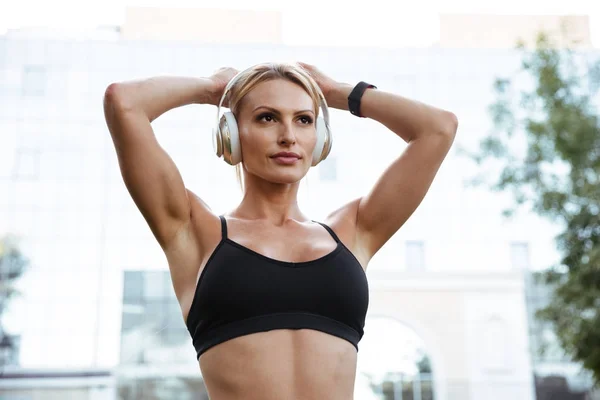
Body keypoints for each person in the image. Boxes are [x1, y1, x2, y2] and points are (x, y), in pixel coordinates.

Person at [103, 61, 458, 400]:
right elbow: (124, 102)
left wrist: (337, 93)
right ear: (231, 134)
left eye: (303, 120)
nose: (288, 136)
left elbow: (438, 128)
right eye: (267, 118)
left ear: (319, 140)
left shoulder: (354, 231)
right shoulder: (194, 231)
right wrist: (213, 90)